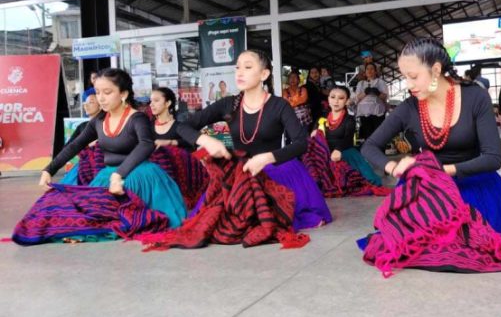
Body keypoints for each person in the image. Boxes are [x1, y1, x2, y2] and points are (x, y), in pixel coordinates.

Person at [362, 37, 501, 255]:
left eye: (413, 76)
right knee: (412, 244)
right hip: (431, 191)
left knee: (473, 244)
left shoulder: (475, 96)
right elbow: (370, 146)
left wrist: (443, 171)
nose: (408, 85)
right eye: (404, 77)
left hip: (475, 188)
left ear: (436, 69)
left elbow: (493, 158)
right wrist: (393, 168)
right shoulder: (410, 107)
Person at [176, 50, 332, 231]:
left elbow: (301, 143)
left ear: (264, 74)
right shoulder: (228, 104)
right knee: (212, 223)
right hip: (241, 172)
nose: (239, 72)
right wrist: (204, 140)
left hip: (275, 170)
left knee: (264, 221)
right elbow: (181, 126)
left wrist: (267, 158)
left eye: (248, 67)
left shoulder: (278, 105)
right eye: (237, 68)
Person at [38, 68, 187, 228]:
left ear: (123, 94)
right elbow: (76, 144)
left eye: (107, 92)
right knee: (53, 212)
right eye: (98, 92)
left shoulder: (137, 118)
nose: (101, 98)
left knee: (114, 222)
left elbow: (146, 144)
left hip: (139, 175)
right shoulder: (98, 121)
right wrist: (49, 170)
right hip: (108, 176)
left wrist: (118, 175)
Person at [318, 85, 382, 186]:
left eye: (341, 98)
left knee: (367, 181)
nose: (336, 101)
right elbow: (314, 135)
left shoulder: (349, 119)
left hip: (344, 151)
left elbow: (348, 138)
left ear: (347, 101)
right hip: (324, 153)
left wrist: (338, 150)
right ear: (328, 99)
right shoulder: (322, 117)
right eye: (333, 97)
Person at [355, 62, 388, 141]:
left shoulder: (381, 82)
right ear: (365, 72)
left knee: (379, 136)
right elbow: (357, 98)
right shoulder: (361, 83)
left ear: (375, 71)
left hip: (378, 114)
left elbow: (385, 97)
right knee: (368, 136)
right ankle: (368, 152)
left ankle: (379, 152)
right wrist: (365, 92)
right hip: (364, 114)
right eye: (367, 69)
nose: (369, 70)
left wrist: (378, 93)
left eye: (372, 69)